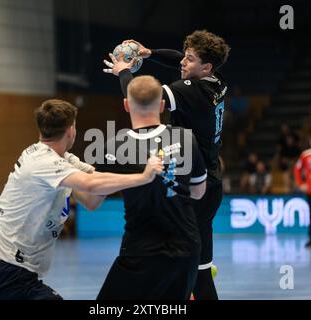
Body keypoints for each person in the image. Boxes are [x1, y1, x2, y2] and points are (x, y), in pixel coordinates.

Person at [0, 99, 162, 300]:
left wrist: (117, 164)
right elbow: (91, 184)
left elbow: (91, 200)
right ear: (71, 130)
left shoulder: (60, 159)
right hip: (5, 270)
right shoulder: (43, 162)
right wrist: (143, 177)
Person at [103, 30, 230, 300]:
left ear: (205, 66)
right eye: (184, 56)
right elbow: (177, 61)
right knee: (201, 269)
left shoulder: (193, 91)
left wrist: (123, 71)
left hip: (197, 186)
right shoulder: (215, 80)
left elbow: (142, 100)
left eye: (190, 59)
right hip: (210, 180)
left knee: (184, 270)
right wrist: (150, 53)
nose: (183, 62)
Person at [95, 76, 207, 300]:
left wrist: (70, 173)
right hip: (186, 247)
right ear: (162, 105)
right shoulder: (186, 139)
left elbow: (91, 201)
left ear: (126, 105)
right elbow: (198, 192)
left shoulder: (114, 147)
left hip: (141, 251)